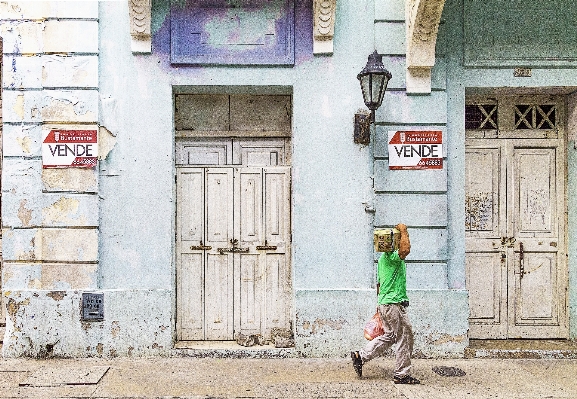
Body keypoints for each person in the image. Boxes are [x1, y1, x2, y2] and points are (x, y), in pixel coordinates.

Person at [351, 223, 420, 384]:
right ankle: (401, 374)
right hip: (393, 303)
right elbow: (405, 250)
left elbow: (379, 284)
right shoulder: (392, 257)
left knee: (390, 336)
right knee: (404, 337)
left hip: (386, 303)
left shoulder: (383, 259)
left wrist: (379, 306)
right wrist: (403, 230)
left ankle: (360, 356)